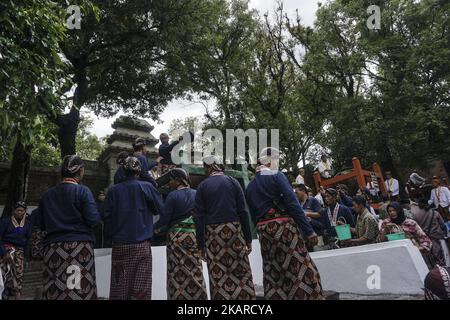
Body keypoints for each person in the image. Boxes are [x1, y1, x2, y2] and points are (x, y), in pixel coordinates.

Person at [245, 148, 323, 300]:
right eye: (276, 159)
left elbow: (252, 216)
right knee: (300, 269)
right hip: (284, 229)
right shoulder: (276, 175)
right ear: (268, 160)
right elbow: (292, 204)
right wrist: (308, 231)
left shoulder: (250, 186)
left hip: (264, 231)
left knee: (273, 272)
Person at [37, 155, 100, 300]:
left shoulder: (47, 195)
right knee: (78, 290)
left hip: (52, 250)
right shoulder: (83, 191)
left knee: (55, 290)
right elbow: (93, 220)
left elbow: (40, 223)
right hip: (78, 249)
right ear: (81, 171)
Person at [195, 155, 255, 300]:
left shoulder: (202, 186)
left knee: (218, 273)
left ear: (208, 167)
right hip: (235, 231)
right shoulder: (233, 182)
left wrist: (201, 245)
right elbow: (243, 212)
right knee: (241, 270)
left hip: (213, 235)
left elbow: (199, 218)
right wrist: (248, 239)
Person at [103, 156, 164, 300]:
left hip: (119, 245)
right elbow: (160, 208)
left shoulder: (113, 190)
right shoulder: (146, 187)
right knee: (140, 289)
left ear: (123, 170)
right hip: (141, 245)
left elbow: (105, 215)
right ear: (139, 171)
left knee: (119, 287)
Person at [154, 168, 207, 300]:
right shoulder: (196, 194)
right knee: (195, 267)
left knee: (176, 271)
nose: (169, 183)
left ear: (178, 180)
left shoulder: (172, 196)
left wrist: (155, 228)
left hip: (176, 238)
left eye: (171, 180)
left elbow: (165, 218)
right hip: (193, 236)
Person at [0, 202, 32, 300]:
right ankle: (3, 295)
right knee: (4, 273)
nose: (19, 212)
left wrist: (27, 257)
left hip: (19, 252)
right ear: (14, 211)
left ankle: (16, 295)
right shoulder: (6, 222)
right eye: (17, 210)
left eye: (21, 211)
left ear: (25, 211)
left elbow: (28, 240)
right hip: (6, 251)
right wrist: (4, 253)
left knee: (18, 275)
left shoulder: (27, 224)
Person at [412, 195, 449, 267]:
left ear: (419, 205)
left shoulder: (416, 216)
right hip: (438, 237)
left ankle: (437, 271)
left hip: (426, 240)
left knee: (433, 258)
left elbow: (416, 229)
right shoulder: (434, 213)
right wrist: (445, 234)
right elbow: (442, 225)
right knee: (444, 257)